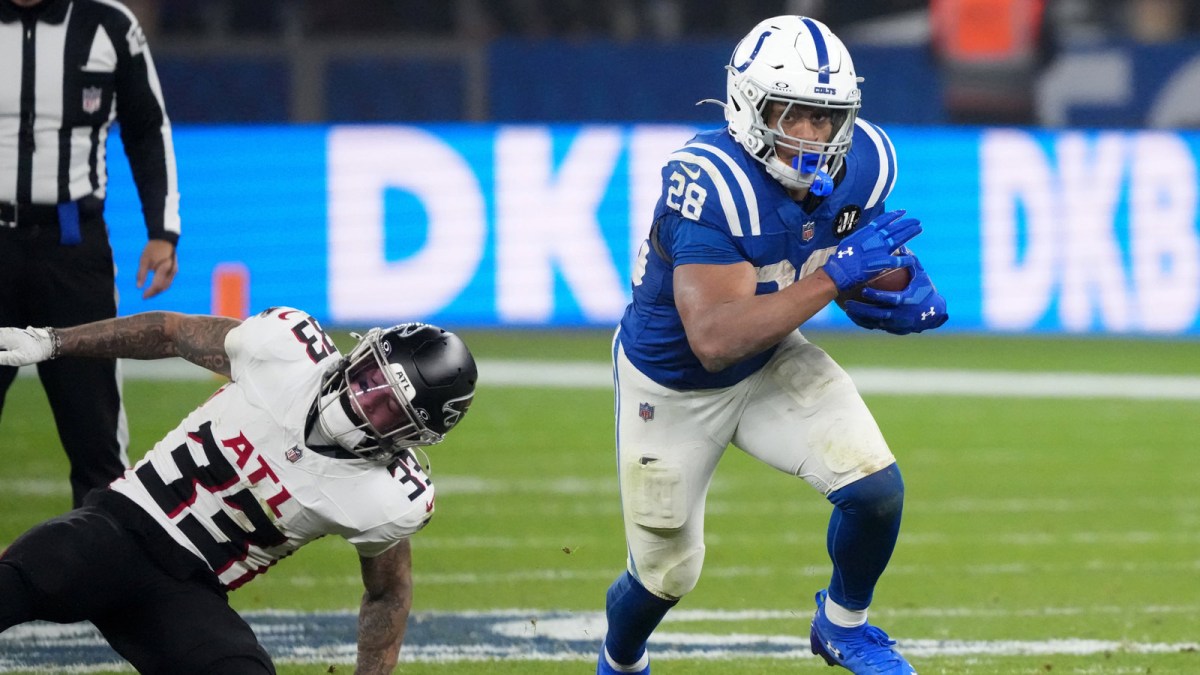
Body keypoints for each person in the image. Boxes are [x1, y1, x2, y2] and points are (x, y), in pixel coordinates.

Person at [597, 15, 948, 675]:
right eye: (792, 113)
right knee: (666, 573)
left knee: (874, 488)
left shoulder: (865, 162)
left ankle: (843, 625)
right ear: (748, 106)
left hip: (771, 355)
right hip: (674, 383)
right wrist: (835, 276)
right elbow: (714, 337)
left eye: (824, 117)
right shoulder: (709, 180)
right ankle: (620, 660)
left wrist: (890, 287)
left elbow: (853, 262)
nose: (811, 134)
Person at [0, 306, 478, 674]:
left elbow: (389, 594)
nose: (361, 399)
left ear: (411, 436)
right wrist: (53, 342)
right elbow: (170, 331)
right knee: (18, 580)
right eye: (371, 378)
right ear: (362, 352)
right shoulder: (285, 349)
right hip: (116, 527)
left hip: (187, 592)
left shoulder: (388, 498)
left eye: (388, 409)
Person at [0, 0, 181, 508]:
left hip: (72, 248)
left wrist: (163, 231)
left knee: (94, 432)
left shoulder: (108, 24)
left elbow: (148, 128)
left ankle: (101, 575)